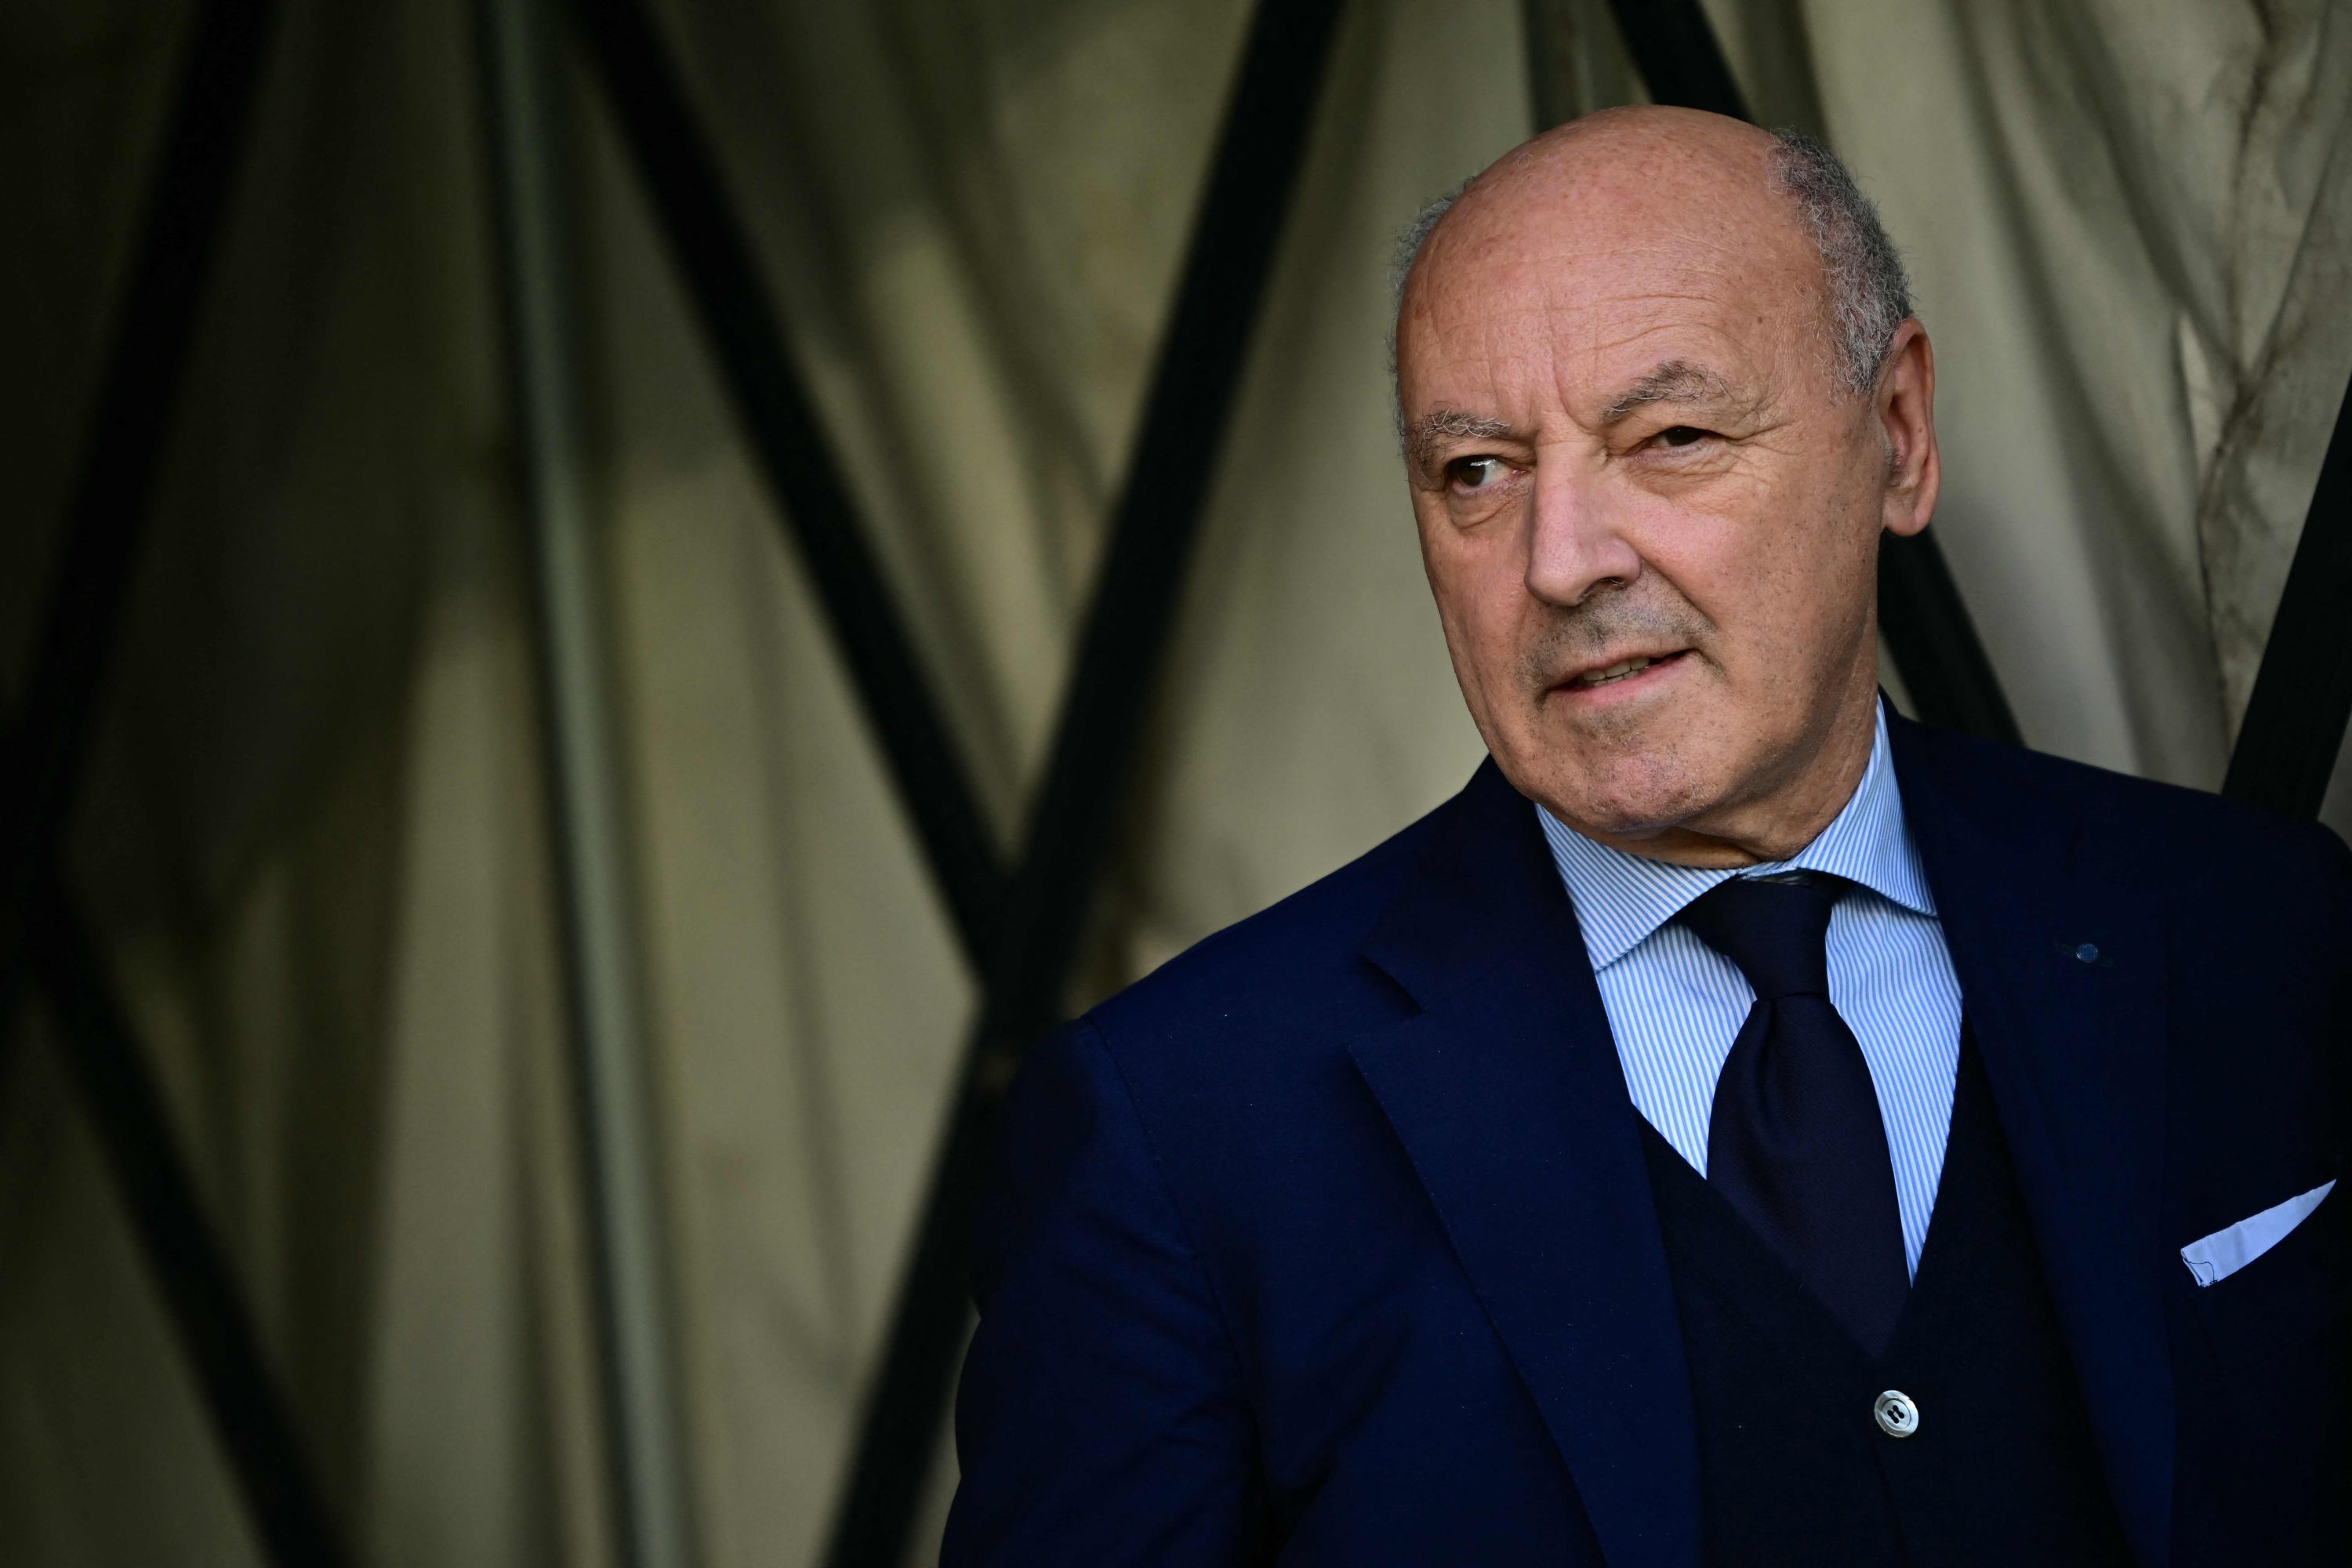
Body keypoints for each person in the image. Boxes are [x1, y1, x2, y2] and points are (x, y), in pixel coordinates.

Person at [939, 107, 2350, 1566]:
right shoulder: (1182, 1132)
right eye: (1476, 471)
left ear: (1899, 436)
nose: (1561, 562)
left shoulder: (2258, 926)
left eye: (1669, 437)